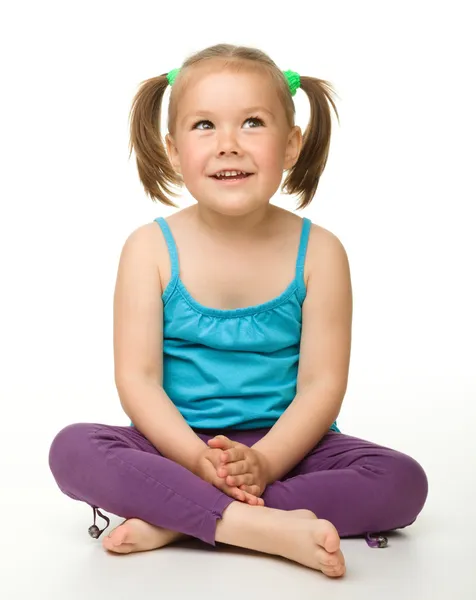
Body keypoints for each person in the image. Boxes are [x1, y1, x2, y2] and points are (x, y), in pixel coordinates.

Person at [48, 43, 428, 578]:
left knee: (403, 482)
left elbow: (322, 385)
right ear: (174, 150)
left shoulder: (320, 252)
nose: (229, 145)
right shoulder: (149, 248)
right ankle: (261, 527)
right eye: (204, 125)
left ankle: (179, 518)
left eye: (253, 122)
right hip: (173, 445)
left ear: (291, 144)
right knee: (74, 449)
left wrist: (266, 461)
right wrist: (195, 459)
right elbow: (138, 381)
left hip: (288, 449)